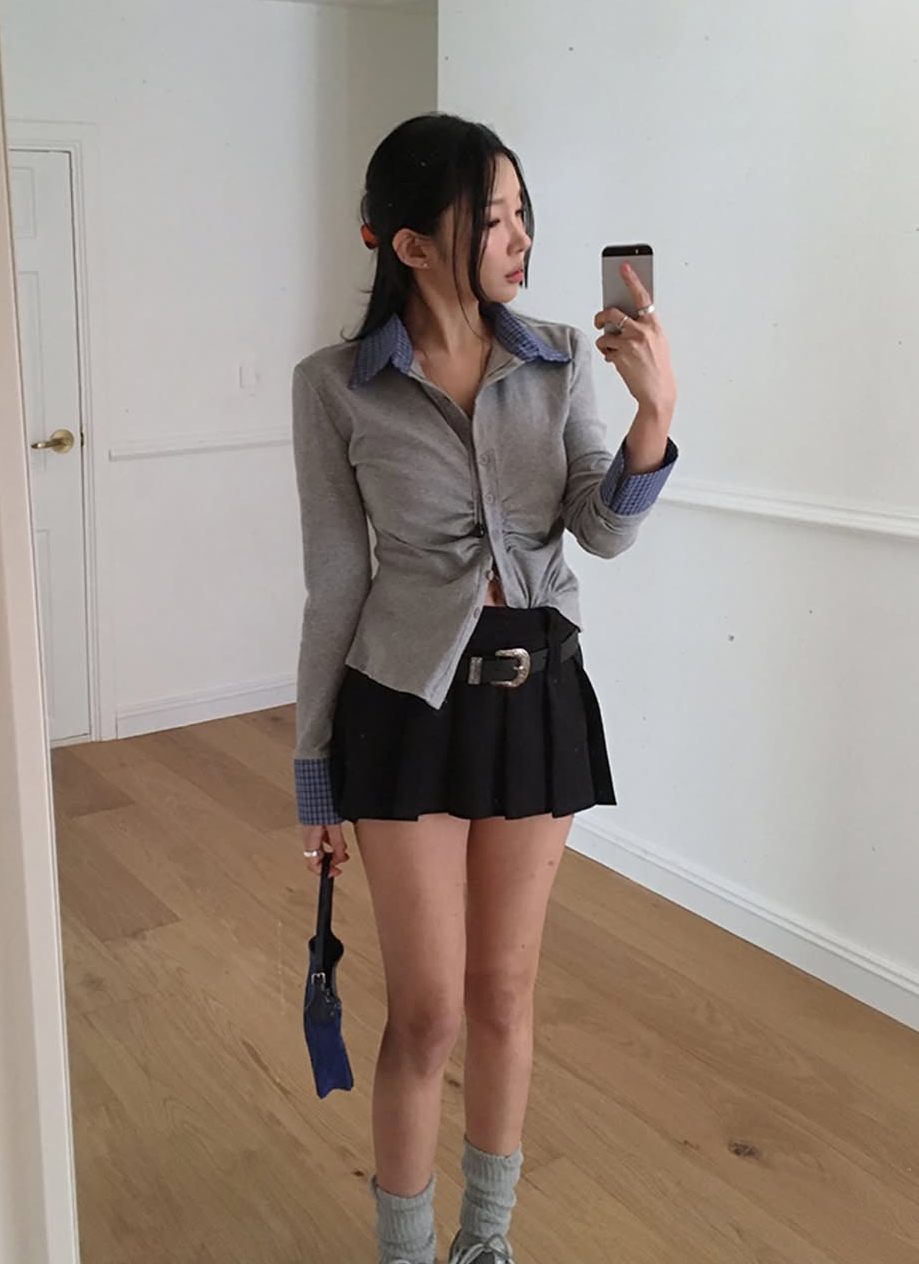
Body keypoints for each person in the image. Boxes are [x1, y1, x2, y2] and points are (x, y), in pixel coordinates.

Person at [290, 113, 678, 1264]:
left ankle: (485, 1243)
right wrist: (315, 776)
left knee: (505, 996)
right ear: (411, 245)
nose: (519, 238)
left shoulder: (559, 356)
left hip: (536, 697)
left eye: (520, 212)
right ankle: (406, 1251)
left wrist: (655, 414)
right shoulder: (334, 388)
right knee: (427, 1012)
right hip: (404, 709)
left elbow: (599, 530)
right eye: (490, 218)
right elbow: (334, 584)